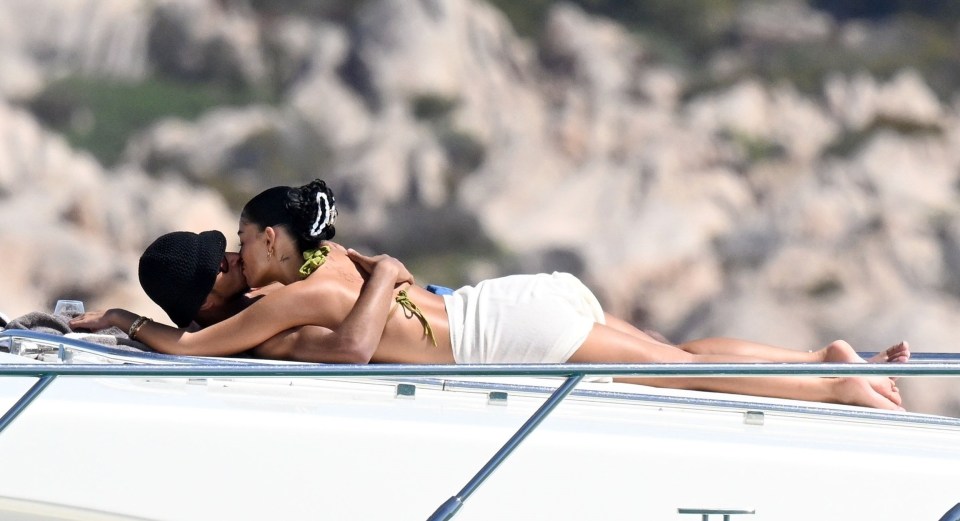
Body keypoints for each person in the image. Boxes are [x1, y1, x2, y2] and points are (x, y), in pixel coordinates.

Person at [71, 179, 909, 410]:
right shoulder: (323, 262)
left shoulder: (273, 303)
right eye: (224, 260)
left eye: (236, 249)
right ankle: (826, 359)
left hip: (509, 335)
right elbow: (342, 334)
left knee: (679, 373)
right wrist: (391, 273)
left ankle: (836, 381)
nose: (234, 260)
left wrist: (117, 321)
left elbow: (195, 348)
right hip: (509, 307)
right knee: (679, 356)